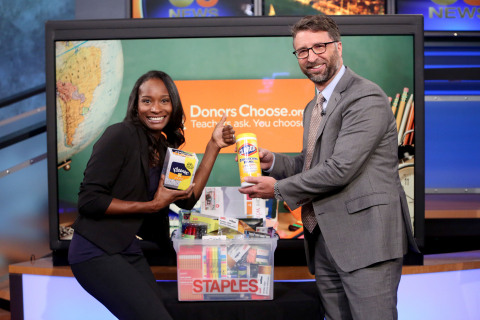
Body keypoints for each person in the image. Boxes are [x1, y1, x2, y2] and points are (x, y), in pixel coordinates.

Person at [239, 15, 419, 320]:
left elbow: (340, 169)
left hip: (366, 242)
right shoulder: (314, 105)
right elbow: (310, 164)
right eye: (302, 51)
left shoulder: (365, 97)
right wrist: (275, 163)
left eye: (318, 47)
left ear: (338, 47)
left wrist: (278, 189)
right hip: (324, 241)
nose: (311, 57)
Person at [68, 70, 235, 320]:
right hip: (94, 251)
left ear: (173, 105)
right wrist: (153, 205)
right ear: (136, 106)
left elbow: (188, 199)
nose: (155, 108)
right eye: (147, 101)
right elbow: (90, 201)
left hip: (126, 249)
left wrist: (213, 146)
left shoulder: (164, 148)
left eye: (164, 100)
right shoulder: (119, 135)